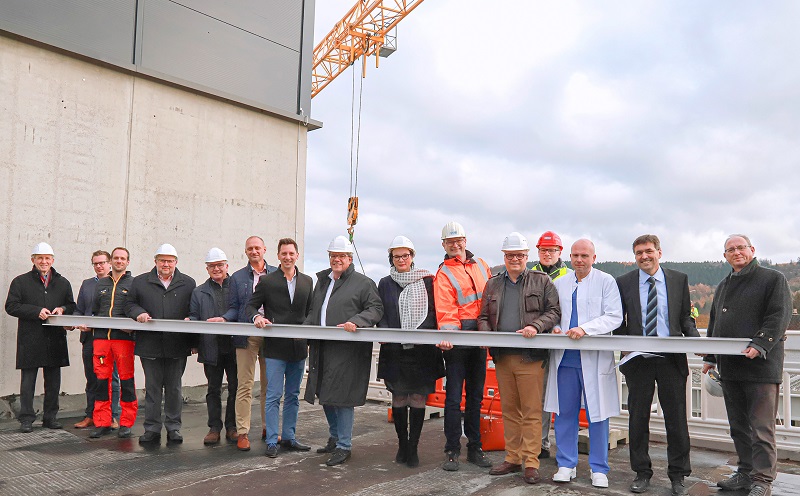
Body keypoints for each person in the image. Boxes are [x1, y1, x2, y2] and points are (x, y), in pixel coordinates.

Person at [703, 235, 792, 496]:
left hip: (761, 367)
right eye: (730, 250)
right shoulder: (723, 285)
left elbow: (779, 315)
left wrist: (761, 344)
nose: (736, 252)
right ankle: (744, 473)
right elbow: (715, 324)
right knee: (738, 426)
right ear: (725, 256)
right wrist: (710, 357)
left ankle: (762, 480)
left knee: (761, 428)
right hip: (731, 369)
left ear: (752, 250)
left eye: (741, 248)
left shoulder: (773, 279)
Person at [615, 235, 700, 496]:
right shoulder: (624, 282)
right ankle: (642, 472)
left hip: (671, 360)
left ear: (659, 252)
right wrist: (624, 350)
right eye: (639, 253)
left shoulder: (678, 279)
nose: (644, 256)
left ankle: (678, 475)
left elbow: (685, 317)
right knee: (637, 419)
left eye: (648, 251)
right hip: (638, 361)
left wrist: (701, 345)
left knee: (676, 419)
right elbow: (619, 321)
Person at [479, 232, 560, 484]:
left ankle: (531, 462)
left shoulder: (542, 280)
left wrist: (536, 326)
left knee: (532, 411)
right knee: (510, 410)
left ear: (526, 256)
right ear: (504, 257)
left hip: (531, 358)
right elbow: (483, 317)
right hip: (503, 357)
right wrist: (486, 336)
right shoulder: (492, 283)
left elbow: (554, 311)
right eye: (510, 255)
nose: (515, 259)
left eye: (519, 255)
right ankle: (512, 458)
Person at [544, 238, 623, 488]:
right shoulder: (560, 283)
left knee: (597, 414)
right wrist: (556, 329)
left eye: (584, 256)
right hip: (566, 359)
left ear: (594, 258)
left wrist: (585, 329)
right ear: (570, 257)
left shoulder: (606, 281)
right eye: (575, 255)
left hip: (594, 358)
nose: (579, 260)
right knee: (565, 412)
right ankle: (566, 464)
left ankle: (599, 468)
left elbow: (614, 317)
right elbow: (553, 314)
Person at [303, 235, 383, 466]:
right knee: (325, 393)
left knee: (343, 397)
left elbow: (375, 308)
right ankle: (335, 437)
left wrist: (357, 321)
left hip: (347, 349)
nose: (337, 259)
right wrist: (307, 329)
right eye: (333, 256)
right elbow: (313, 310)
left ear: (349, 258)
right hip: (323, 347)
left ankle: (344, 446)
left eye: (341, 256)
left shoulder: (363, 283)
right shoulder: (323, 281)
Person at [377, 235, 445, 468]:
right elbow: (381, 312)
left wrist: (420, 333)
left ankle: (413, 447)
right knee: (398, 396)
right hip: (395, 350)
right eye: (397, 256)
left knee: (417, 397)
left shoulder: (427, 281)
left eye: (405, 255)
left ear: (412, 256)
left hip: (421, 351)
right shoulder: (385, 283)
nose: (401, 259)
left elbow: (435, 311)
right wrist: (386, 333)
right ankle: (402, 444)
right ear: (391, 259)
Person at [434, 221, 493, 471]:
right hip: (459, 340)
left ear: (465, 241)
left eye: (458, 241)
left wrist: (489, 332)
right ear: (444, 245)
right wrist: (450, 337)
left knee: (476, 397)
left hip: (480, 335)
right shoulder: (444, 272)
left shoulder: (481, 265)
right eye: (450, 242)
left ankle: (475, 447)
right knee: (454, 398)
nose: (455, 245)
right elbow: (446, 308)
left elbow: (492, 298)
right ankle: (452, 449)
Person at [124, 243, 196, 445]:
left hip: (177, 345)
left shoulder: (188, 284)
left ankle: (174, 428)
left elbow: (195, 310)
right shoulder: (140, 282)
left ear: (176, 262)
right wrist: (138, 313)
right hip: (150, 345)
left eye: (170, 261)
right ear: (155, 261)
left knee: (174, 390)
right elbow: (129, 304)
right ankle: (152, 429)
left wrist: (191, 325)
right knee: (153, 389)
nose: (166, 264)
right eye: (162, 260)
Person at [250, 238, 314, 457]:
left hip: (298, 349)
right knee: (273, 396)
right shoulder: (267, 281)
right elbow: (250, 305)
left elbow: (311, 311)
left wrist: (306, 331)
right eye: (283, 253)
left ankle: (289, 437)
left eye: (291, 253)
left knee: (294, 395)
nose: (287, 257)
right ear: (278, 256)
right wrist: (257, 317)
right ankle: (271, 441)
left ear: (297, 255)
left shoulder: (307, 282)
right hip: (275, 349)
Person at [5, 242, 76, 433]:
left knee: (53, 381)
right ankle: (26, 419)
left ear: (53, 260)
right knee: (28, 381)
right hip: (31, 338)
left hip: (55, 338)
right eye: (40, 258)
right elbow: (11, 306)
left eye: (47, 258)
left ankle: (50, 417)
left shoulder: (63, 282)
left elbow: (72, 305)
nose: (44, 262)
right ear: (33, 260)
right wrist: (36, 311)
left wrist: (62, 309)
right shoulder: (20, 282)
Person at [223, 236, 277, 451]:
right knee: (244, 385)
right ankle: (243, 432)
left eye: (257, 248)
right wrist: (225, 318)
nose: (254, 251)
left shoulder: (277, 274)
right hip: (246, 335)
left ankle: (268, 427)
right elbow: (235, 307)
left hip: (271, 335)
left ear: (264, 249)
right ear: (246, 252)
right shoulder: (237, 278)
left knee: (269, 385)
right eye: (250, 249)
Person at [190, 248, 238, 445]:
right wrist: (194, 342)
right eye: (212, 266)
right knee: (213, 388)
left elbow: (242, 310)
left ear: (226, 266)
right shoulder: (199, 292)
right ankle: (214, 427)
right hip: (210, 346)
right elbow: (193, 316)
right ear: (207, 269)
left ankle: (232, 427)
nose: (216, 269)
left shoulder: (236, 287)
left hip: (235, 346)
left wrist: (225, 319)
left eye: (220, 265)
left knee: (236, 388)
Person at [89, 247, 138, 439]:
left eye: (122, 258)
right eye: (116, 258)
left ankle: (126, 422)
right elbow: (95, 310)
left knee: (126, 381)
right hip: (101, 339)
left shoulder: (134, 284)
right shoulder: (101, 284)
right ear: (111, 261)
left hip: (123, 340)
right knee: (101, 381)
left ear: (128, 261)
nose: (119, 261)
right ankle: (102, 422)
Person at [529, 230, 570, 459]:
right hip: (538, 342)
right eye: (543, 250)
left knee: (564, 396)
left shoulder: (569, 274)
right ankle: (541, 444)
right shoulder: (529, 274)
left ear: (559, 252)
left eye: (551, 250)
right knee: (539, 396)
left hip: (563, 342)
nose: (547, 254)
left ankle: (563, 447)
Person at [73, 250, 119, 431]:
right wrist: (79, 322)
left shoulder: (116, 283)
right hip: (90, 339)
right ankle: (91, 415)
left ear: (109, 263)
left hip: (109, 338)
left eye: (102, 262)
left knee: (112, 378)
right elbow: (79, 310)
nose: (99, 266)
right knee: (91, 378)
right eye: (95, 263)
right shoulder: (87, 285)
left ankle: (113, 416)